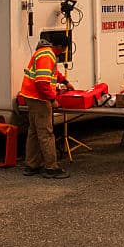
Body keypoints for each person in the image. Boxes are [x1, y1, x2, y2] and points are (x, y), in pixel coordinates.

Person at [18, 38, 73, 178]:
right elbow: (42, 82)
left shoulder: (43, 52)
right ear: (60, 46)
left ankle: (31, 165)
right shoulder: (47, 55)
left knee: (34, 132)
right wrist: (52, 100)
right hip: (39, 99)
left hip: (31, 97)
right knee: (46, 133)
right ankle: (51, 168)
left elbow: (52, 73)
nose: (63, 52)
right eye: (64, 49)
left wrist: (65, 81)